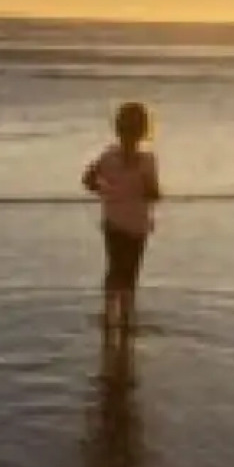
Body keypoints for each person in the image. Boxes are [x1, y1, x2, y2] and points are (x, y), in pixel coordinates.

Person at [81, 101, 161, 331]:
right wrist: (150, 192)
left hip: (114, 220)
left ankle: (109, 312)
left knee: (115, 267)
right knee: (130, 271)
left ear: (117, 128)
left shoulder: (109, 156)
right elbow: (152, 193)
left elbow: (87, 179)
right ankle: (125, 315)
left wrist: (106, 191)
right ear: (144, 130)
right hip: (137, 224)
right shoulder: (147, 161)